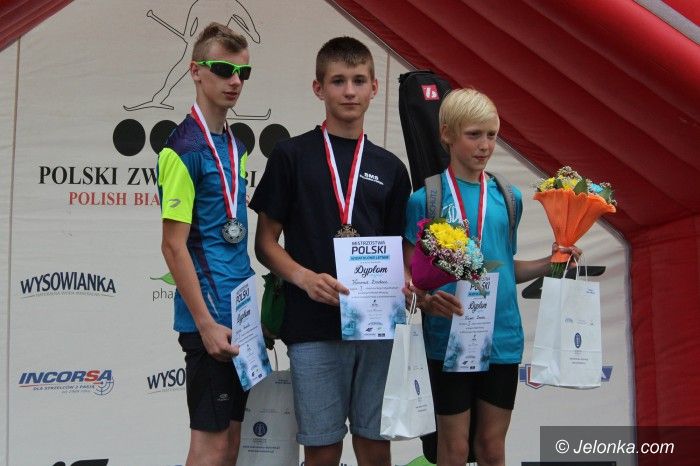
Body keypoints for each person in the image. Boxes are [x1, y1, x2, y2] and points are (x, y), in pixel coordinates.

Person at [250, 37, 412, 466]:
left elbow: (401, 250)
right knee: (321, 450)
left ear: (375, 88)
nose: (349, 91)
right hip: (312, 323)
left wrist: (409, 280)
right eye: (338, 81)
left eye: (359, 80)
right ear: (318, 88)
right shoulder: (291, 155)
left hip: (376, 326)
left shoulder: (391, 168)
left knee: (375, 447)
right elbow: (264, 243)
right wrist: (303, 278)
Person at [403, 88, 581, 466]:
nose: (484, 145)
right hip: (449, 338)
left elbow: (503, 268)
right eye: (474, 135)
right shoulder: (426, 198)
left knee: (492, 448)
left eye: (492, 135)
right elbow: (411, 276)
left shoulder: (509, 197)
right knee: (453, 449)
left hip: (502, 336)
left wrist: (551, 263)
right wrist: (425, 300)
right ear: (446, 134)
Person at [157, 22, 254, 466]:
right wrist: (205, 324)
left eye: (242, 72)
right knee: (210, 446)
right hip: (210, 322)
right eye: (223, 69)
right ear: (196, 71)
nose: (234, 81)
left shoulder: (236, 146)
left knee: (232, 444)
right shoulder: (183, 148)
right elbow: (173, 247)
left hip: (241, 316)